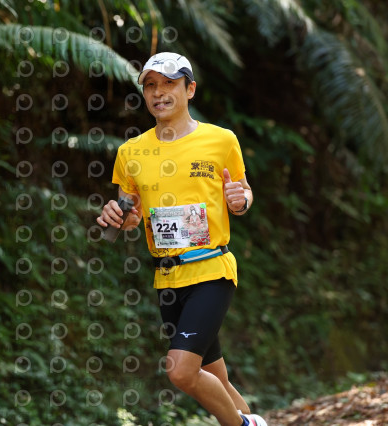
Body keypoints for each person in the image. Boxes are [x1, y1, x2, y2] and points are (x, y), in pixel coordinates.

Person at [96, 52, 267, 426]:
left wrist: (240, 200)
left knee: (181, 370)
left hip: (211, 270)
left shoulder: (221, 140)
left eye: (169, 84)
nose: (158, 92)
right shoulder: (130, 153)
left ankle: (243, 425)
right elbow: (131, 214)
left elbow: (242, 192)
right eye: (150, 85)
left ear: (190, 89)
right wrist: (117, 217)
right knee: (217, 379)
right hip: (168, 279)